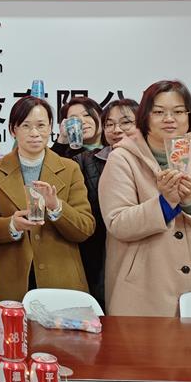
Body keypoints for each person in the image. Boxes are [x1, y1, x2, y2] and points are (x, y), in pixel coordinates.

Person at [99, 80, 191, 316]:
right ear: (145, 117)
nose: (169, 119)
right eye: (159, 112)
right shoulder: (122, 158)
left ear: (189, 115)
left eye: (178, 111)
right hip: (145, 288)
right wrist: (164, 203)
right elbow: (118, 223)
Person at [0, 96, 95, 303]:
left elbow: (85, 228)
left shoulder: (70, 169)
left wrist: (57, 207)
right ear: (13, 130)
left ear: (50, 127)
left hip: (61, 279)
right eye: (26, 126)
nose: (34, 133)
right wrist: (12, 225)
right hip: (10, 278)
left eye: (41, 125)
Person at [75, 99, 139, 311]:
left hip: (142, 252)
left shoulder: (153, 162)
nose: (116, 129)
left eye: (125, 122)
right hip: (99, 254)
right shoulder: (86, 160)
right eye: (109, 124)